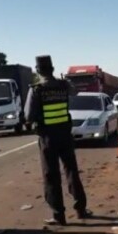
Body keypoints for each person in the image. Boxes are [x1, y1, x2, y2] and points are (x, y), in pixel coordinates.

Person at [24, 55, 93, 225]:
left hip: (48, 138)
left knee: (51, 175)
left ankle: (58, 215)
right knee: (71, 171)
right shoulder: (63, 85)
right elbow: (74, 91)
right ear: (53, 69)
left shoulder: (36, 89)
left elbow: (28, 116)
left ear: (38, 71)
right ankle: (80, 209)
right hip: (65, 135)